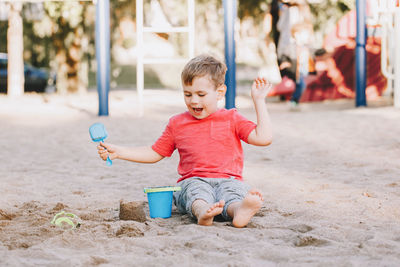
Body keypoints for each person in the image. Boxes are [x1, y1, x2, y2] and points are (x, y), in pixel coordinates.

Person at [96, 54, 273, 228]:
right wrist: (119, 152)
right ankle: (203, 211)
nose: (194, 100)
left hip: (229, 179)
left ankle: (239, 211)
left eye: (201, 94)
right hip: (194, 179)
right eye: (187, 94)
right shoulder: (177, 123)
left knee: (233, 195)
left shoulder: (232, 118)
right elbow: (155, 152)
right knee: (195, 194)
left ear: (220, 92)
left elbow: (263, 138)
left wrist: (259, 100)